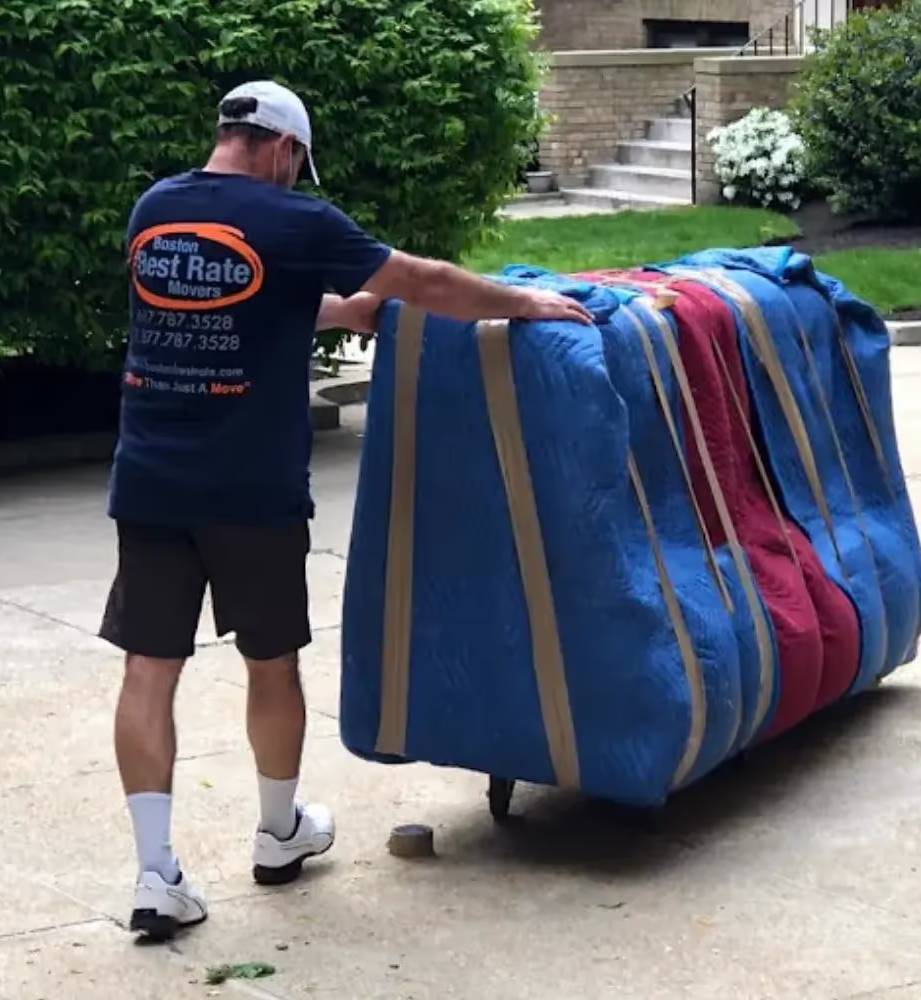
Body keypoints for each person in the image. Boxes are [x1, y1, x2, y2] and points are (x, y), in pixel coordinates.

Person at [103, 80, 592, 942]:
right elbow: (423, 280)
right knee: (271, 664)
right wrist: (523, 303)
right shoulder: (297, 221)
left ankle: (154, 875)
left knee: (148, 671)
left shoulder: (156, 211)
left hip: (150, 480)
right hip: (251, 489)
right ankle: (278, 833)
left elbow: (221, 300)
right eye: (299, 163)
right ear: (285, 149)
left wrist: (332, 311)